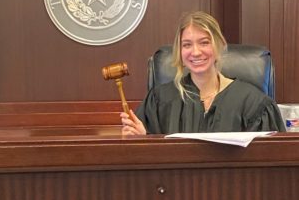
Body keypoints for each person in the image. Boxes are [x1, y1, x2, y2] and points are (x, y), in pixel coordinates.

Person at [121, 11, 286, 135]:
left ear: (219, 45)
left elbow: (272, 162)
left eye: (204, 43)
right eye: (187, 45)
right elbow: (139, 160)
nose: (196, 52)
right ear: (179, 51)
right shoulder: (159, 101)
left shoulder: (253, 103)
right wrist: (141, 139)